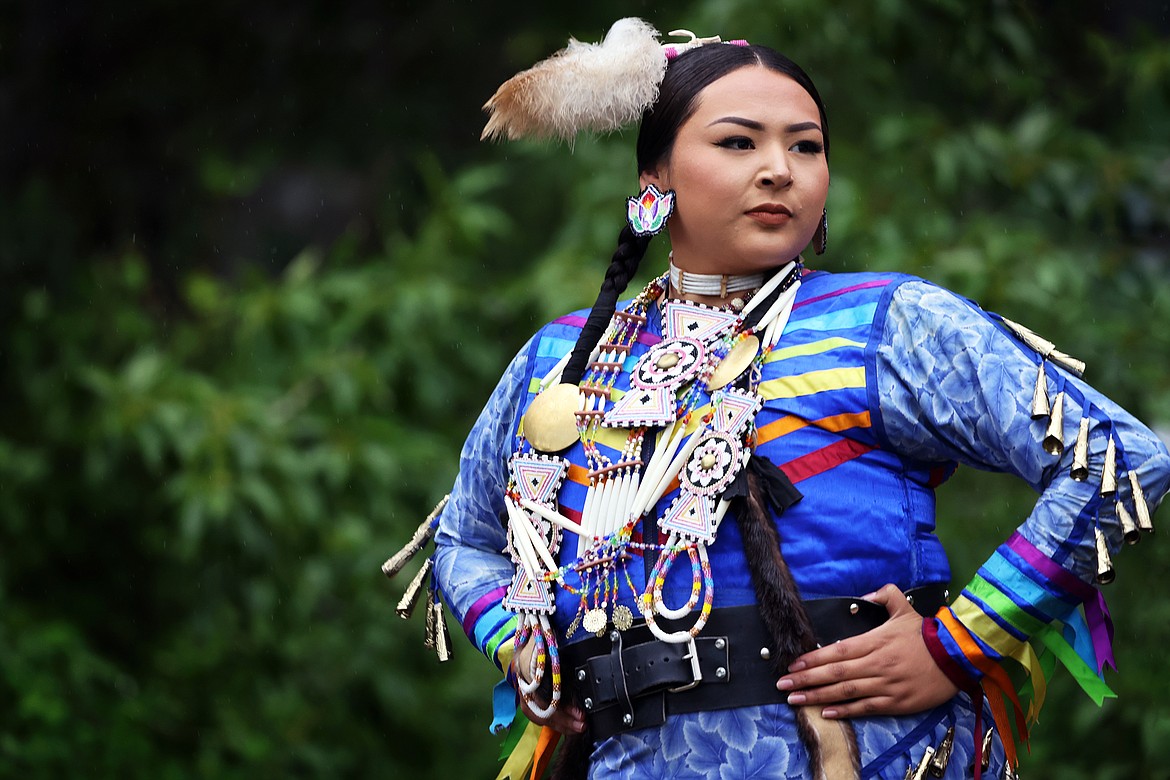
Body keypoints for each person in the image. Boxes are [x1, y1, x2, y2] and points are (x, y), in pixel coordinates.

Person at [414, 18, 1170, 780]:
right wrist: (519, 639)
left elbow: (1117, 458)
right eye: (738, 143)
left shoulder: (889, 323)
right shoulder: (561, 356)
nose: (780, 168)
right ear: (654, 184)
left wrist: (961, 643)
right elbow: (464, 539)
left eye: (806, 146)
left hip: (871, 755)